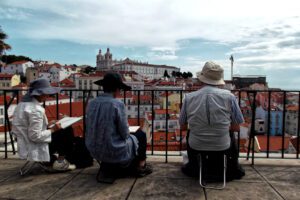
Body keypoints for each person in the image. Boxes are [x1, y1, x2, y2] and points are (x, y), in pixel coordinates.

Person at [179, 61, 245, 180]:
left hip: (196, 145)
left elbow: (183, 127)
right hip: (222, 145)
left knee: (190, 133)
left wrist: (198, 126)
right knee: (231, 134)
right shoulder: (229, 97)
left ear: (201, 79)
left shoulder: (188, 98)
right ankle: (232, 166)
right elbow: (236, 128)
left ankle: (194, 166)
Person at [85, 72, 152, 180]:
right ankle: (141, 166)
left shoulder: (92, 103)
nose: (120, 92)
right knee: (141, 135)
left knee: (136, 136)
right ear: (117, 89)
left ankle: (112, 166)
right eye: (120, 89)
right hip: (112, 149)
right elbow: (125, 134)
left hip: (93, 148)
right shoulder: (117, 104)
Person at [12, 78, 75, 171]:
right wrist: (53, 130)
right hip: (34, 145)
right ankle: (60, 162)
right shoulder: (35, 110)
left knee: (62, 131)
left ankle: (55, 160)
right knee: (66, 131)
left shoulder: (21, 105)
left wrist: (48, 124)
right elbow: (35, 136)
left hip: (24, 143)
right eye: (47, 92)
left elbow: (28, 126)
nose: (48, 95)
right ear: (39, 94)